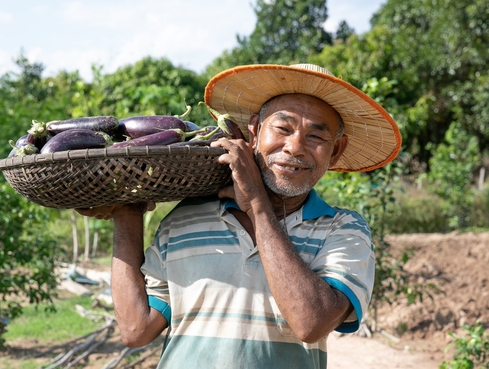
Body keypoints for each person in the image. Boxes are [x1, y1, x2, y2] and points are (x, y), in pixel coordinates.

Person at [78, 63, 402, 368]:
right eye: (282, 127)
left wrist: (257, 204)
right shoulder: (185, 218)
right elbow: (137, 329)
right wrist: (126, 212)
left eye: (316, 136)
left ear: (336, 150)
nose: (295, 147)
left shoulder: (342, 229)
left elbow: (311, 322)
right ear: (254, 132)